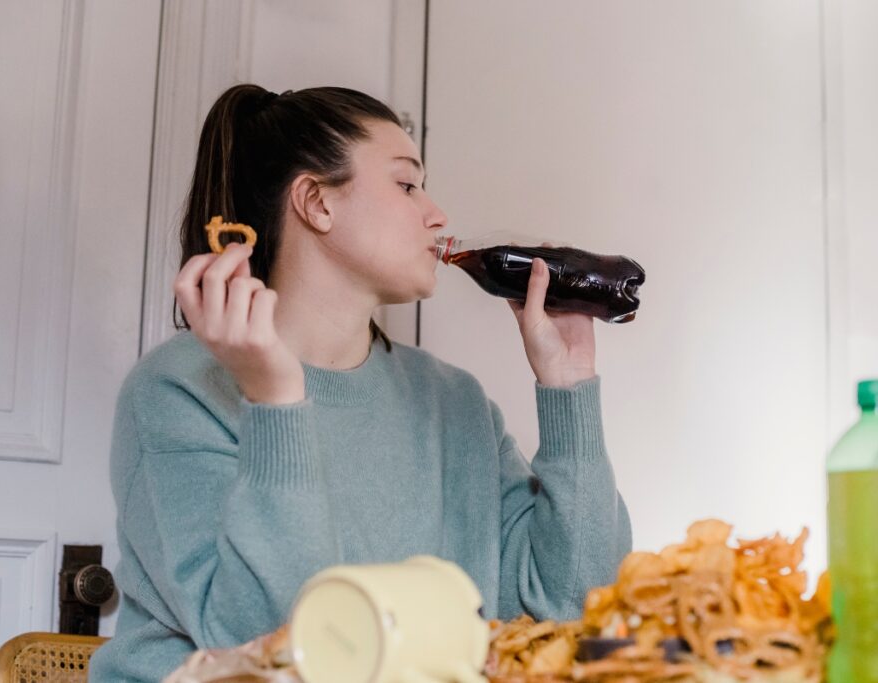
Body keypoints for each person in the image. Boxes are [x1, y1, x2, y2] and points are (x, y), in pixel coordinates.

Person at [89, 84, 631, 682]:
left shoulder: (454, 404)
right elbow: (273, 645)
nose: (437, 214)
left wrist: (568, 386)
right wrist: (275, 402)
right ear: (316, 202)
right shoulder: (179, 391)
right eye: (407, 184)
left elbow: (575, 611)